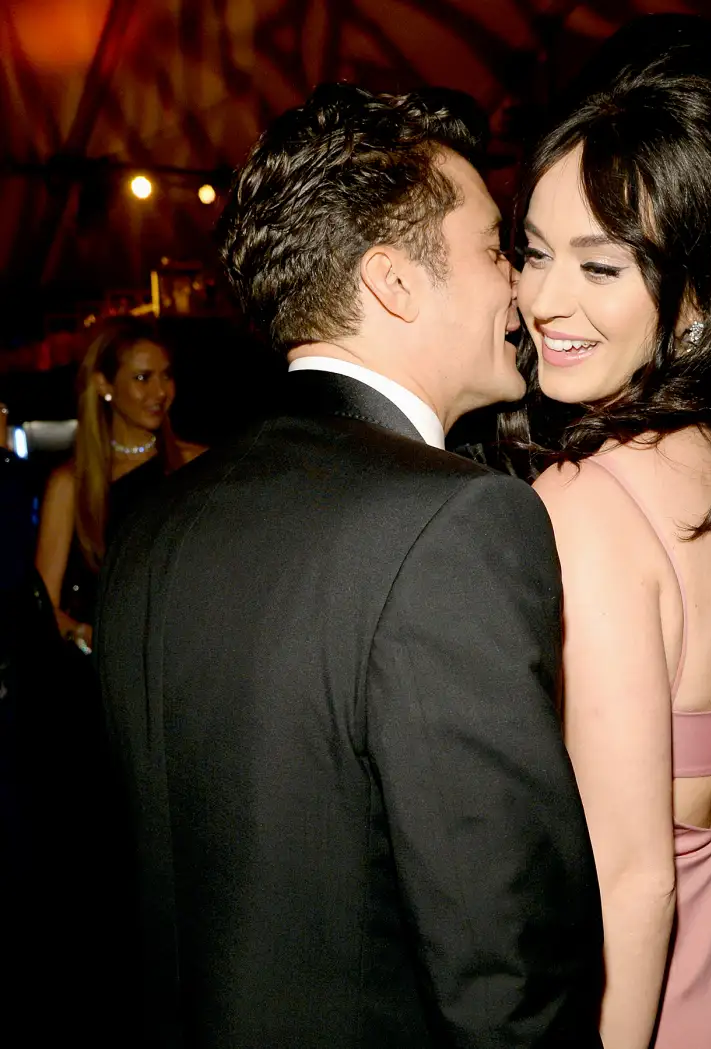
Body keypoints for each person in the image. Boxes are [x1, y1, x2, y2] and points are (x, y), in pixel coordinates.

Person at [96, 84, 603, 1048]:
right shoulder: (458, 521)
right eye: (496, 247)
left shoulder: (153, 522)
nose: (523, 287)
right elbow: (511, 964)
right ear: (395, 282)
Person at [507, 44, 711, 1049]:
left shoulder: (586, 495)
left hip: (647, 991)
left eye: (600, 264)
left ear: (693, 298)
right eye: (531, 250)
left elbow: (636, 876)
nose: (544, 299)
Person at [34, 318, 203, 653]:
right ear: (103, 385)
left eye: (166, 375)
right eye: (143, 378)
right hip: (101, 678)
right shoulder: (71, 484)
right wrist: (90, 637)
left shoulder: (197, 464)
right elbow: (42, 607)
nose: (160, 392)